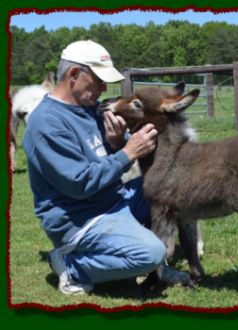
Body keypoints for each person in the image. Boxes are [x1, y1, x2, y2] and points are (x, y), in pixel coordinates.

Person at [22, 40, 167, 295]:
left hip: (112, 200)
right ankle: (71, 264)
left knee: (166, 188)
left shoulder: (89, 109)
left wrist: (114, 144)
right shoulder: (46, 124)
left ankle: (147, 256)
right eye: (99, 80)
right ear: (74, 75)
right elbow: (79, 183)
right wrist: (127, 152)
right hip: (80, 219)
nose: (104, 87)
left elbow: (107, 157)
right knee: (151, 254)